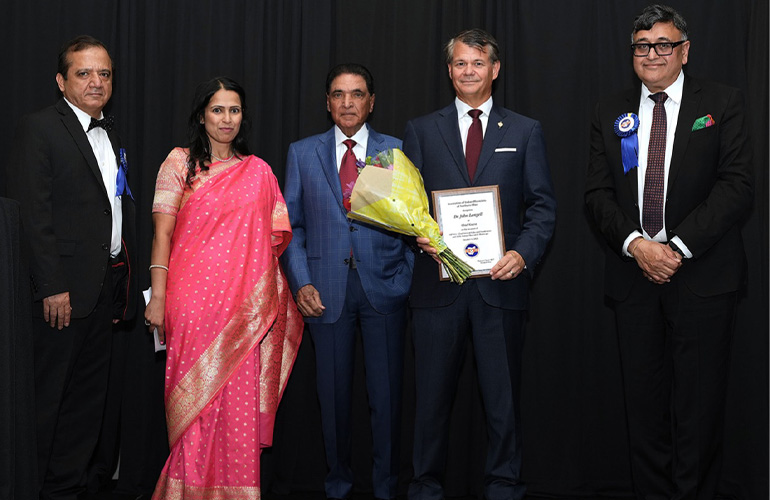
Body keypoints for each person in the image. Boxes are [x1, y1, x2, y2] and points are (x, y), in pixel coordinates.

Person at [584, 5, 753, 500]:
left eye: (663, 45)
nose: (651, 54)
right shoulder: (608, 109)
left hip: (703, 278)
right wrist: (637, 246)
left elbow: (737, 186)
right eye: (642, 46)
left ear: (684, 50)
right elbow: (596, 194)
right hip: (634, 278)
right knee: (643, 407)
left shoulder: (722, 103)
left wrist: (674, 248)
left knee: (699, 411)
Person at [403, 29, 556, 500]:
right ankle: (425, 488)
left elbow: (542, 207)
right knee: (429, 404)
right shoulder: (421, 130)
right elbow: (406, 205)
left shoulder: (526, 130)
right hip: (437, 288)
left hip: (500, 286)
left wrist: (522, 253)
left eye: (477, 63)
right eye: (460, 63)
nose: (468, 71)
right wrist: (421, 236)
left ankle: (505, 488)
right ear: (449, 71)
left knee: (503, 405)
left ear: (495, 69)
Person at [144, 76, 304, 498]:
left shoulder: (259, 172)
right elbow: (161, 234)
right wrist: (158, 296)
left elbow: (273, 241)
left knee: (236, 408)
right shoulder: (179, 163)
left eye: (234, 110)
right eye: (218, 109)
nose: (226, 118)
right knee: (195, 406)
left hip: (243, 311)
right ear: (202, 115)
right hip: (191, 302)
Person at [6, 35, 138, 500]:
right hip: (60, 296)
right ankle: (34, 488)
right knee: (49, 404)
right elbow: (32, 216)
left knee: (87, 404)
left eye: (103, 73)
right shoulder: (38, 128)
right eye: (84, 73)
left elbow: (110, 213)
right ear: (62, 81)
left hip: (104, 292)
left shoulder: (112, 133)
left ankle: (68, 488)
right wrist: (51, 286)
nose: (96, 82)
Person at [280, 63, 414, 500]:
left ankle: (386, 489)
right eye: (339, 94)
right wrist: (300, 282)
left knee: (387, 402)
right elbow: (291, 226)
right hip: (325, 293)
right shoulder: (303, 153)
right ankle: (337, 486)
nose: (347, 103)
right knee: (332, 401)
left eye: (357, 94)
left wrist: (405, 277)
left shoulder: (394, 149)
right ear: (327, 103)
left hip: (384, 291)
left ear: (371, 101)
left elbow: (414, 219)